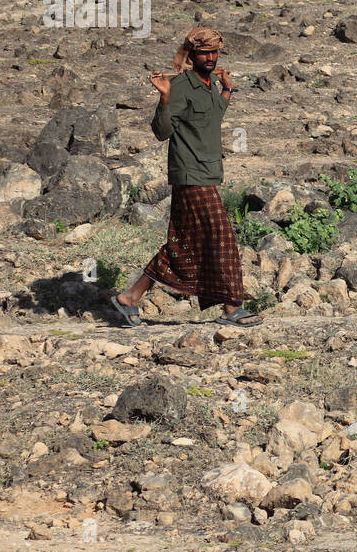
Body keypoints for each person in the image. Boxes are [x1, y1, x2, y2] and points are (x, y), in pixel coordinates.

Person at [111, 27, 262, 327]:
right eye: (204, 52)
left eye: (214, 52)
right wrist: (164, 98)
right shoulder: (179, 86)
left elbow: (213, 117)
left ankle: (130, 297)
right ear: (192, 55)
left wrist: (227, 90)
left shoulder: (210, 85)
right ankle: (232, 307)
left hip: (206, 172)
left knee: (183, 244)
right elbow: (161, 132)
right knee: (222, 236)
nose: (210, 57)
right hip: (190, 173)